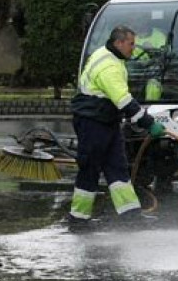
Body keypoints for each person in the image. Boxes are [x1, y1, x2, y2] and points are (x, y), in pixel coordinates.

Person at [65, 25, 165, 231]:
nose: (133, 49)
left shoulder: (107, 56)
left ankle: (130, 215)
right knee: (90, 169)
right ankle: (78, 219)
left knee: (117, 167)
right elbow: (124, 101)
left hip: (105, 121)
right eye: (130, 44)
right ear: (118, 43)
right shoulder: (109, 67)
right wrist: (149, 124)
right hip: (92, 122)